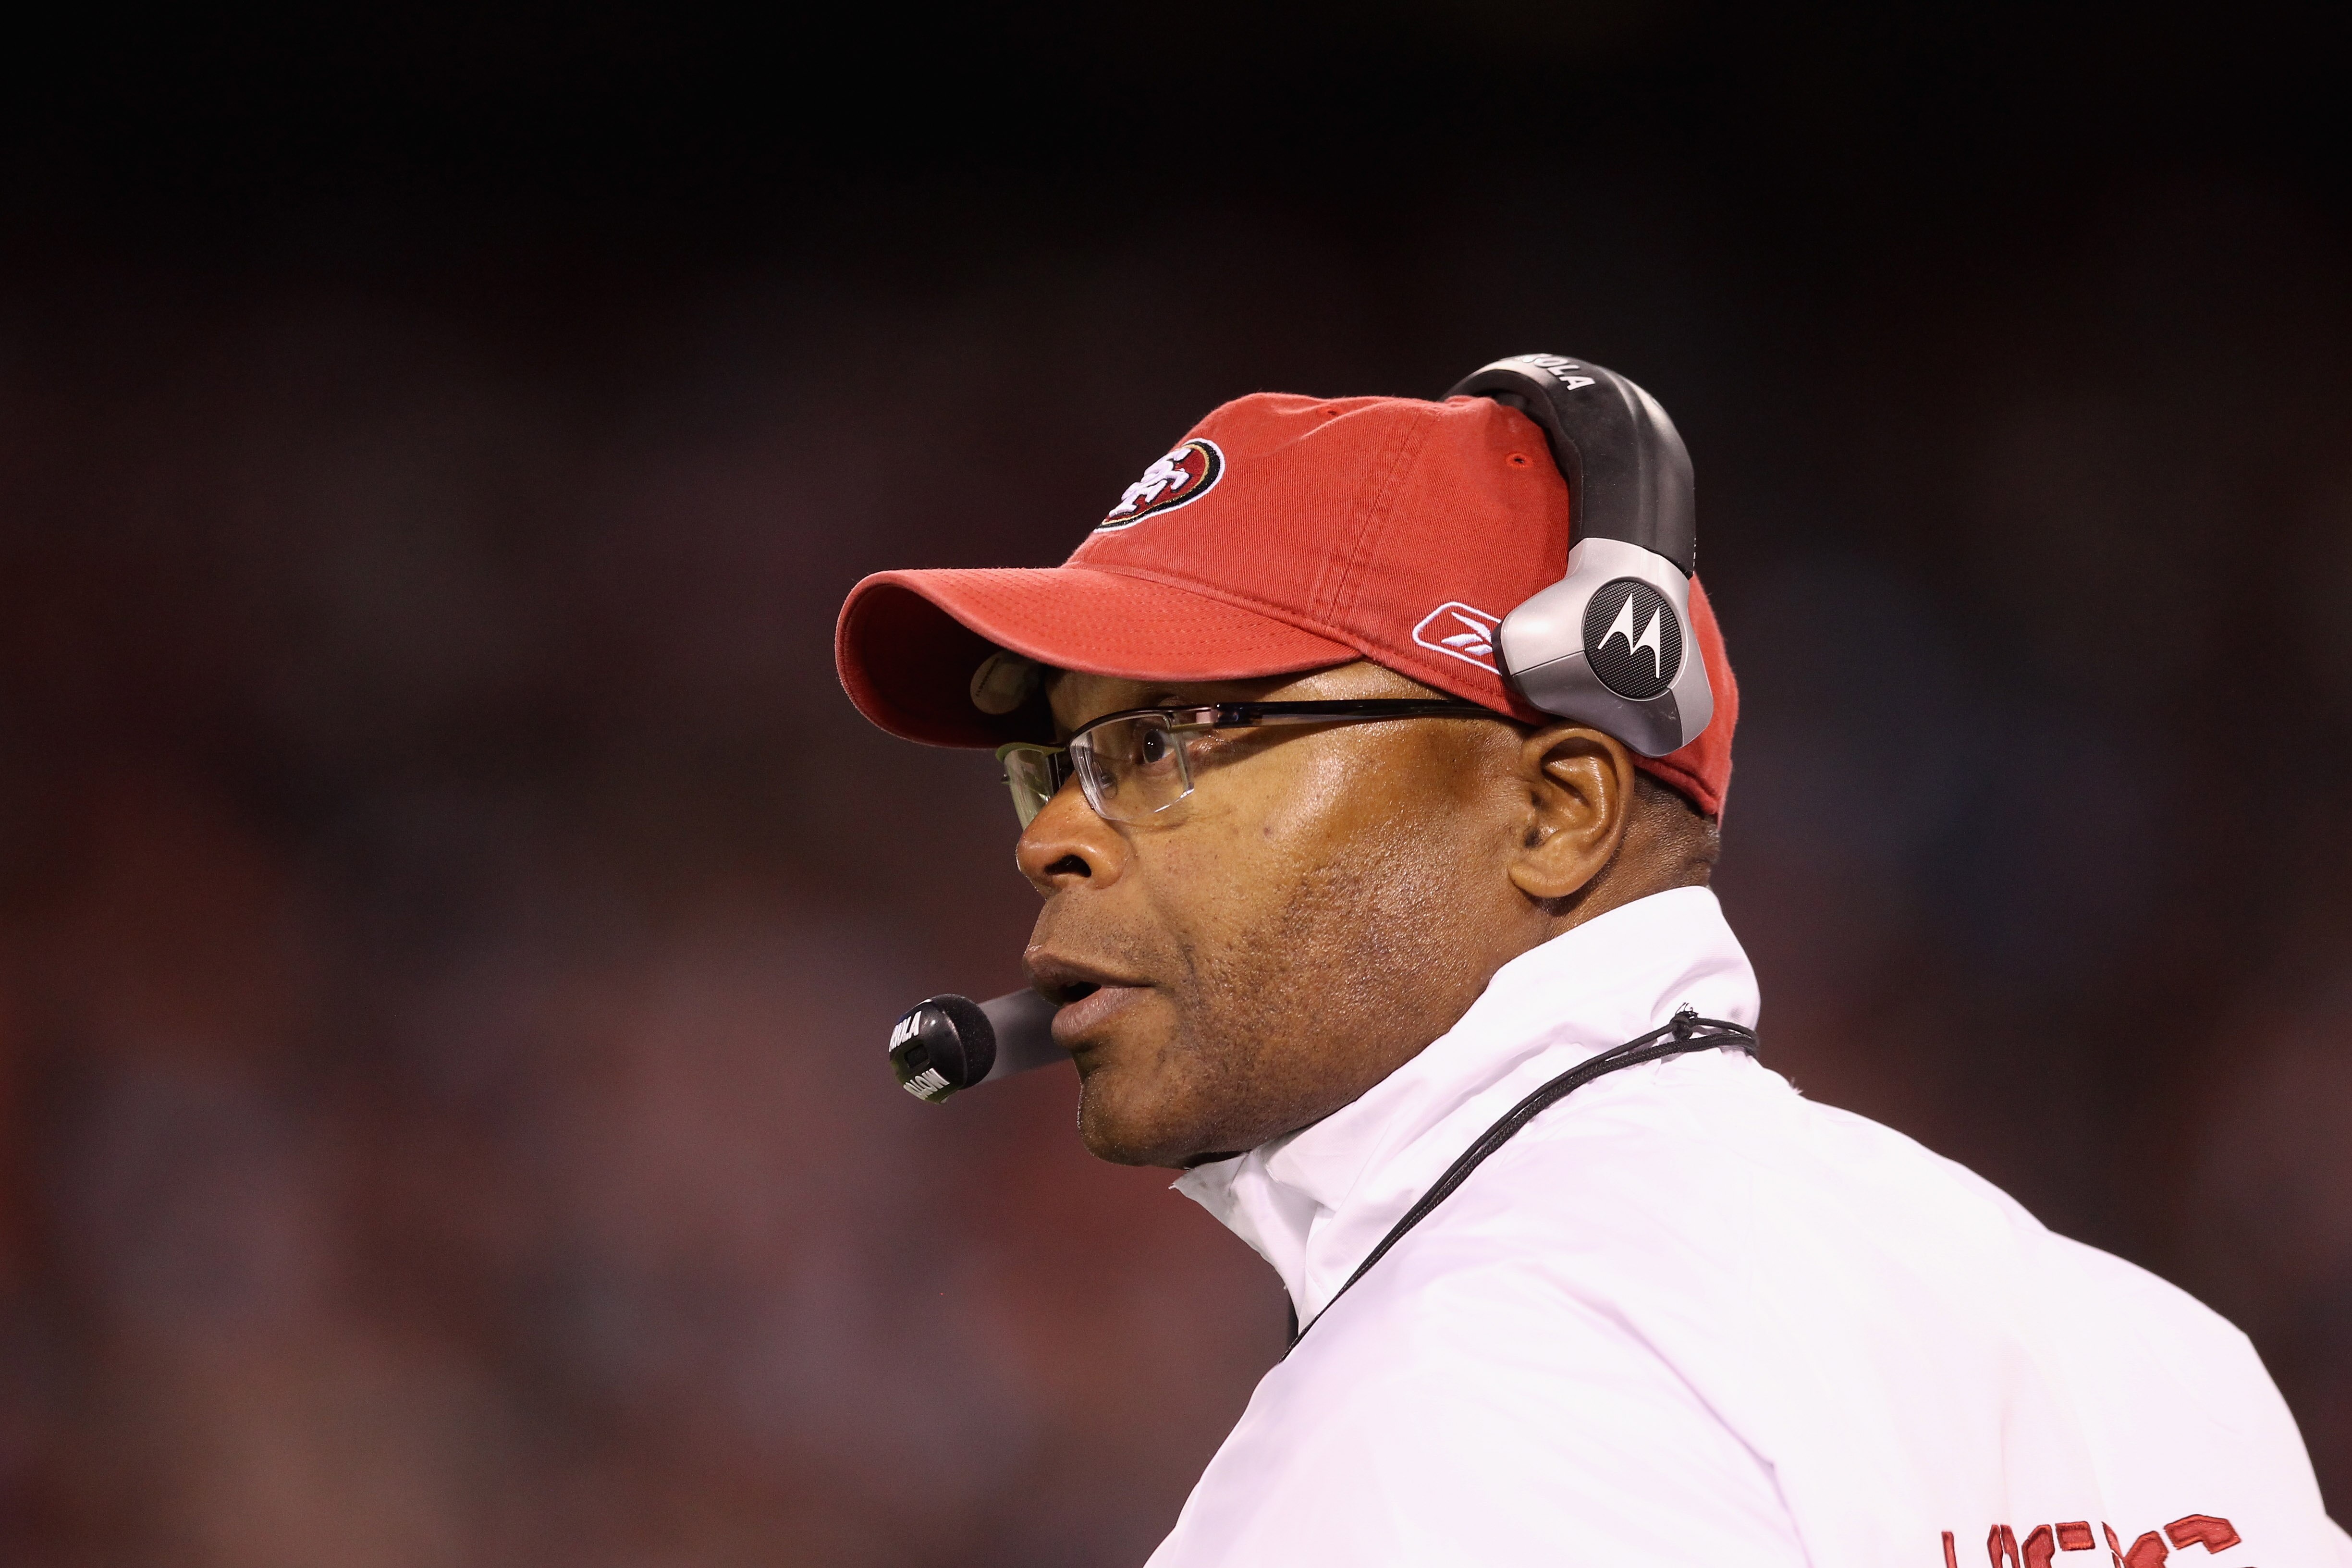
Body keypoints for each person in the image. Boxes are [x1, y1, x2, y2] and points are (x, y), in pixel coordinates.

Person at [833, 370, 2350, 1566]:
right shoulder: (2146, 1352)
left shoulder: (1458, 1408)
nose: (1055, 845)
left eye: (1162, 744)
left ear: (1558, 810)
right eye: (1056, 768)